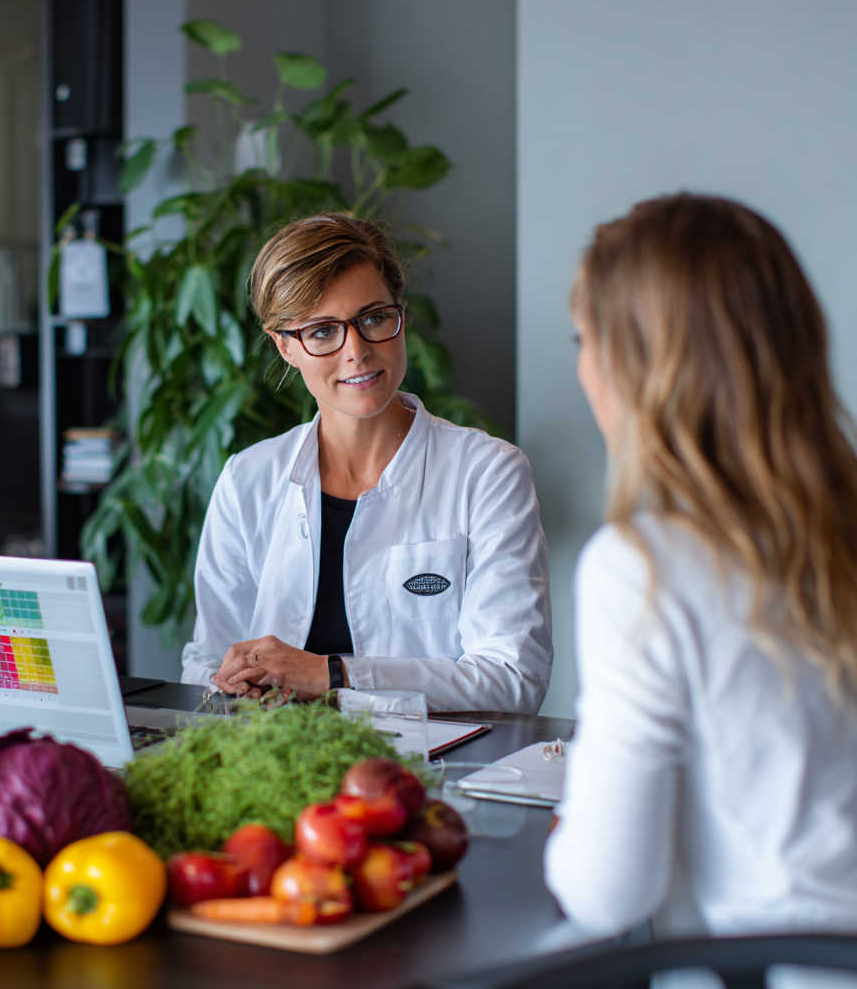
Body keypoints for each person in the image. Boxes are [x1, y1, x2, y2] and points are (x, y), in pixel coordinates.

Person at [544, 194, 857, 940]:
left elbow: (607, 893)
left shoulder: (644, 565)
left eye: (582, 340)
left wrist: (575, 818)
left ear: (634, 368)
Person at [179, 213, 552, 712]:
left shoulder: (488, 473)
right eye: (322, 331)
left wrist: (333, 674)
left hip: (425, 771)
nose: (356, 351)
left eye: (374, 318)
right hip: (269, 765)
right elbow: (205, 661)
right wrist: (226, 681)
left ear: (401, 317)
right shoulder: (246, 478)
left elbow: (513, 677)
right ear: (284, 346)